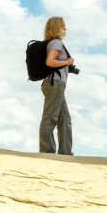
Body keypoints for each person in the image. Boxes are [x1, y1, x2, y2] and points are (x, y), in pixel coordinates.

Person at [38, 16, 74, 155]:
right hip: (55, 84)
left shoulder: (53, 43)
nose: (65, 29)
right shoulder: (56, 43)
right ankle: (47, 152)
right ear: (56, 28)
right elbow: (50, 62)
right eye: (63, 26)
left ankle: (65, 152)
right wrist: (67, 62)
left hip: (57, 84)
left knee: (65, 119)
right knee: (50, 117)